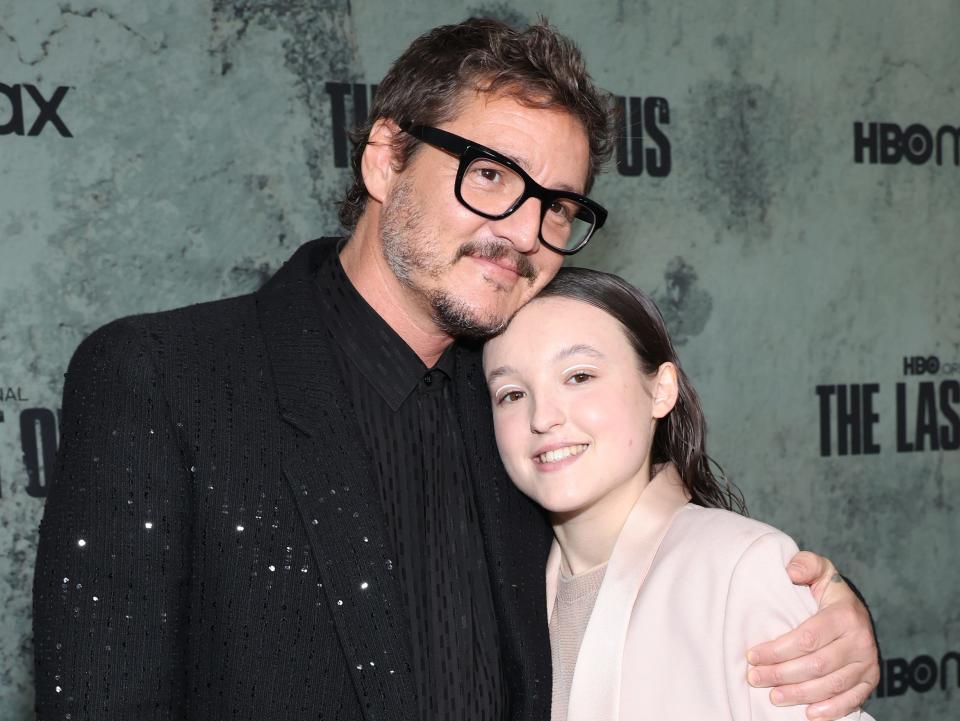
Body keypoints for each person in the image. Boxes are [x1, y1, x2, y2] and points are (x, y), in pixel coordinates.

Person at [33, 17, 878, 721]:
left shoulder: (520, 404)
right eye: (489, 176)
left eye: (557, 207)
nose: (522, 231)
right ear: (384, 158)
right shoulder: (166, 378)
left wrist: (828, 613)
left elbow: (664, 576)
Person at [482, 267, 879, 721]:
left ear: (661, 390)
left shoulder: (739, 569)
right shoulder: (502, 587)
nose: (543, 416)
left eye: (579, 377)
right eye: (511, 393)